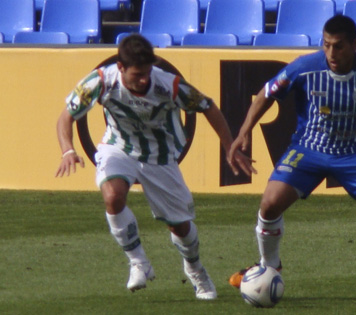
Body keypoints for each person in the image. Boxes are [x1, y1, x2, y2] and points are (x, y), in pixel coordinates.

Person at [226, 15, 356, 307]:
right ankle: (269, 267)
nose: (331, 53)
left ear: (355, 45)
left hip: (355, 153)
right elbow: (266, 95)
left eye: (339, 46)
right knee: (269, 204)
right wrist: (244, 131)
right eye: (327, 45)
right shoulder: (304, 67)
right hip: (308, 150)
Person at [55, 34, 253, 299]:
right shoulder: (101, 81)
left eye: (147, 73)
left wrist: (229, 145)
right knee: (113, 197)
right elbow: (66, 116)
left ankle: (195, 269)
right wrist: (68, 149)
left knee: (180, 226)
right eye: (137, 75)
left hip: (160, 156)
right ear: (121, 68)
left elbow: (207, 106)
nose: (144, 80)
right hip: (119, 147)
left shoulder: (168, 85)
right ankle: (138, 262)